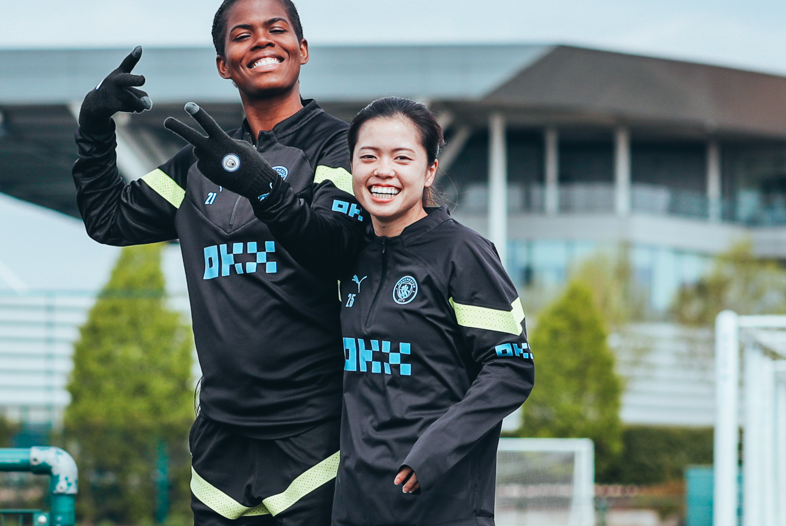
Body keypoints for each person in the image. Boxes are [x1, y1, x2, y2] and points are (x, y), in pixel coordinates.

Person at [72, 0, 366, 526]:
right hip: (220, 439)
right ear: (223, 65)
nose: (261, 41)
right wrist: (94, 128)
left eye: (276, 29)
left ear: (302, 49)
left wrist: (265, 188)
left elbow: (335, 249)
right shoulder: (199, 164)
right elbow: (107, 220)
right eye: (242, 34)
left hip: (314, 432)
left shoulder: (339, 146)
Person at [168, 97, 535, 525]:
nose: (383, 170)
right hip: (354, 503)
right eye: (369, 156)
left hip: (440, 502)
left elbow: (510, 369)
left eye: (402, 157)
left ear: (429, 169)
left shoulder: (463, 252)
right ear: (352, 167)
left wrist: (436, 448)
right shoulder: (347, 256)